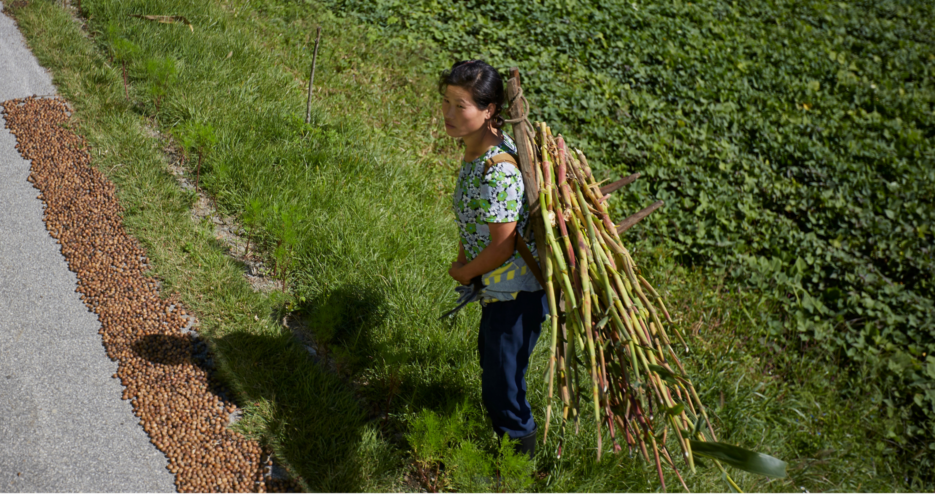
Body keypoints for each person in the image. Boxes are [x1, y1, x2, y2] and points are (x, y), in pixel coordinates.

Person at [440, 60, 548, 461]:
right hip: (495, 287)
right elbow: (477, 222)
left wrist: (463, 271)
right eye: (446, 102)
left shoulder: (499, 171)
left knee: (503, 383)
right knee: (493, 363)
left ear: (489, 110)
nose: (449, 114)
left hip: (517, 294)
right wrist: (465, 258)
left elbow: (502, 247)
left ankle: (521, 463)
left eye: (461, 105)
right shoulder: (475, 153)